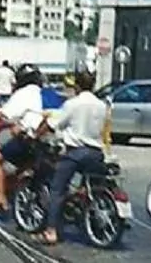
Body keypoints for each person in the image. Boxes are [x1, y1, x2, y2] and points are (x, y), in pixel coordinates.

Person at [33, 71, 108, 245]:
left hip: (76, 152)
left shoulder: (72, 104)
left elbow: (53, 123)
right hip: (97, 153)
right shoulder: (101, 105)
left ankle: (51, 231)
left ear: (77, 86)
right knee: (91, 186)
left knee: (57, 189)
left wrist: (36, 135)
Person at [0, 63, 44, 212]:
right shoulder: (45, 93)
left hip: (29, 138)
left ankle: (0, 198)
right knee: (22, 165)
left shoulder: (25, 93)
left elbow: (3, 114)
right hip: (46, 140)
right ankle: (13, 188)